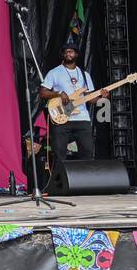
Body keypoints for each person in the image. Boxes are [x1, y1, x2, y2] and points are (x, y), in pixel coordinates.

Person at [38, 40, 107, 182]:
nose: (69, 53)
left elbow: (90, 99)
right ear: (63, 54)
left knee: (87, 151)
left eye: (72, 51)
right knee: (59, 153)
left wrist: (102, 96)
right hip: (63, 117)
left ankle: (86, 182)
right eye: (66, 51)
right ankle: (58, 182)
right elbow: (43, 93)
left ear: (77, 54)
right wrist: (59, 93)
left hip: (82, 118)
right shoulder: (55, 72)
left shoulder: (85, 74)